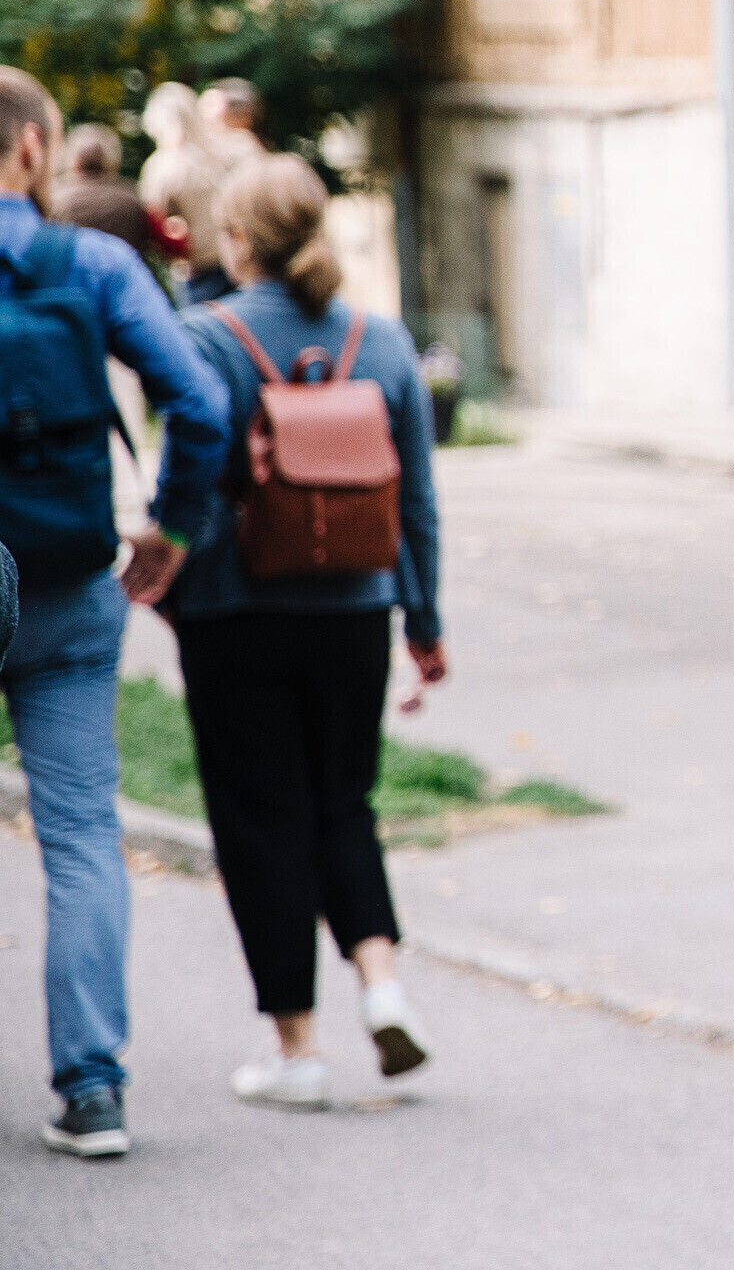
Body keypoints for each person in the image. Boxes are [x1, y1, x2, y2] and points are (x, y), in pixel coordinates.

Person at [166, 154, 446, 1112]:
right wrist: (424, 620)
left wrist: (163, 564)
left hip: (234, 610)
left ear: (237, 240)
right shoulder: (384, 340)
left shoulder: (206, 338)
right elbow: (419, 500)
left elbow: (186, 474)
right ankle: (383, 985)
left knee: (260, 821)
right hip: (356, 609)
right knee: (343, 801)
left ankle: (296, 1052)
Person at [0, 69, 230, 1161]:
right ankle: (92, 1087)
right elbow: (200, 398)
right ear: (34, 149)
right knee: (85, 833)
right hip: (68, 583)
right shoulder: (91, 263)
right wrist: (171, 528)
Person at [139, 83, 232, 305]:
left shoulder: (161, 167)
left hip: (195, 269)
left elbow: (154, 222)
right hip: (233, 260)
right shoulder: (228, 152)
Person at [50, 125, 165, 265]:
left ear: (73, 160)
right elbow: (162, 242)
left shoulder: (52, 198)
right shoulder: (134, 199)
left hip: (66, 275)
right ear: (112, 160)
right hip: (123, 274)